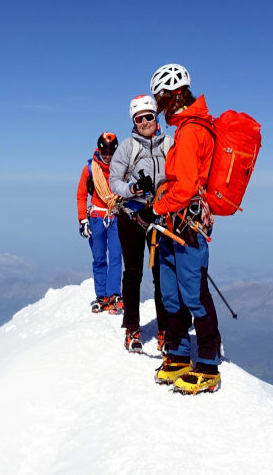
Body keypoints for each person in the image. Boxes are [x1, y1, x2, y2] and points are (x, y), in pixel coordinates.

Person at [137, 63, 222, 394]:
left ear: (169, 97)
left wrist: (157, 207)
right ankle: (177, 354)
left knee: (193, 294)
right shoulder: (189, 128)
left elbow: (185, 186)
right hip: (175, 226)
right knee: (170, 291)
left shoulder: (190, 132)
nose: (158, 108)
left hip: (186, 227)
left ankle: (208, 364)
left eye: (159, 100)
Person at [107, 94, 173, 353]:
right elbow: (114, 181)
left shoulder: (169, 143)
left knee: (161, 275)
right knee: (133, 273)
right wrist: (133, 188)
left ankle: (165, 329)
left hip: (160, 214)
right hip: (132, 215)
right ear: (134, 121)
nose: (145, 122)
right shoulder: (127, 146)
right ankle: (132, 328)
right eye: (139, 118)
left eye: (149, 117)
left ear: (156, 118)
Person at [76, 132, 123, 314]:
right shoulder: (90, 169)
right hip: (97, 217)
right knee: (99, 257)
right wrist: (83, 220)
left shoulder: (122, 169)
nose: (108, 156)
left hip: (116, 216)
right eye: (106, 152)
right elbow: (81, 195)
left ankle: (114, 295)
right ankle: (101, 295)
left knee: (116, 255)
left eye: (112, 152)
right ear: (100, 150)